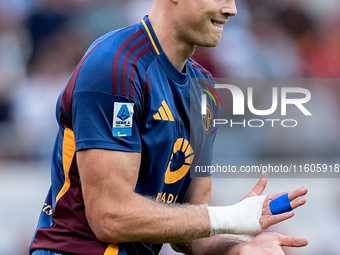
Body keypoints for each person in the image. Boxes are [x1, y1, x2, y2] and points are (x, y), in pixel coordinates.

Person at [30, 0, 308, 254]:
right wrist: (232, 218)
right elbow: (110, 217)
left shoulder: (206, 91)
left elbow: (191, 230)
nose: (231, 9)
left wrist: (242, 249)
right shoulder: (116, 66)